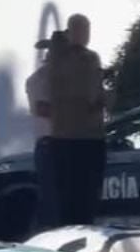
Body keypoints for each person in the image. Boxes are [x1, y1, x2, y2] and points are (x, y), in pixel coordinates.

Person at [46, 15, 107, 227]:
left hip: (71, 136)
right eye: (82, 30)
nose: (86, 35)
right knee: (80, 199)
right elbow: (91, 97)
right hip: (80, 137)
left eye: (87, 29)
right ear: (71, 32)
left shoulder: (57, 58)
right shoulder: (82, 59)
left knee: (72, 198)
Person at [26, 41, 56, 229]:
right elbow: (42, 109)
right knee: (52, 200)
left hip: (72, 143)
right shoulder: (39, 79)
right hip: (51, 145)